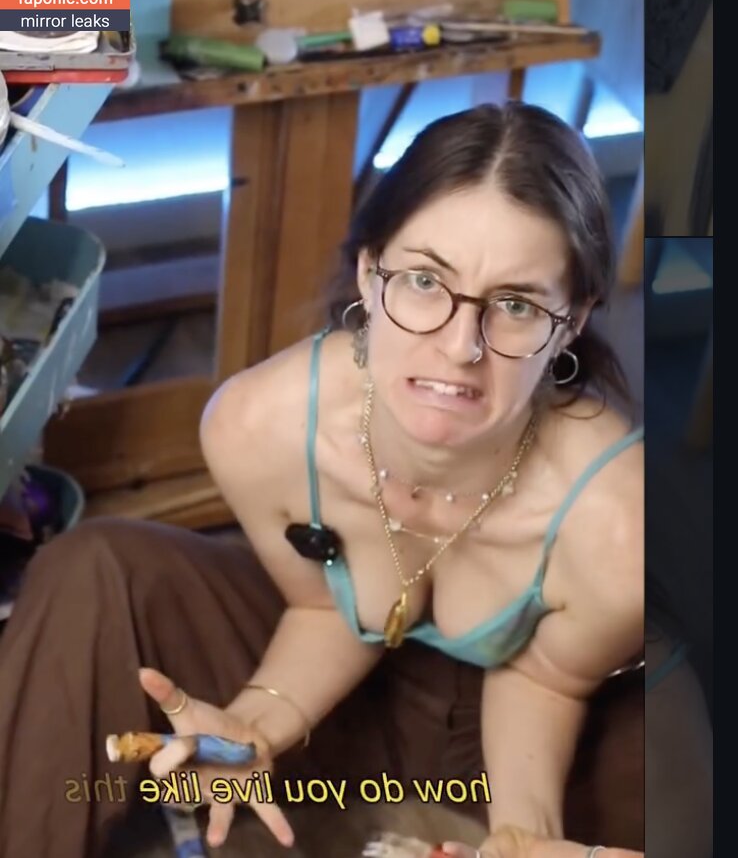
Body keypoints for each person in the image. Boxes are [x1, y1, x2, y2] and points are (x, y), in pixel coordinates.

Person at [0, 102, 644, 858]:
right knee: (93, 567)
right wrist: (256, 722)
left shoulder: (621, 523)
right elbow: (322, 606)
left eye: (515, 304)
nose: (459, 348)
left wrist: (523, 838)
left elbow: (545, 680)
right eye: (424, 280)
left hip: (508, 749)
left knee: (672, 742)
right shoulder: (258, 426)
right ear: (370, 274)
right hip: (343, 708)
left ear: (572, 320)